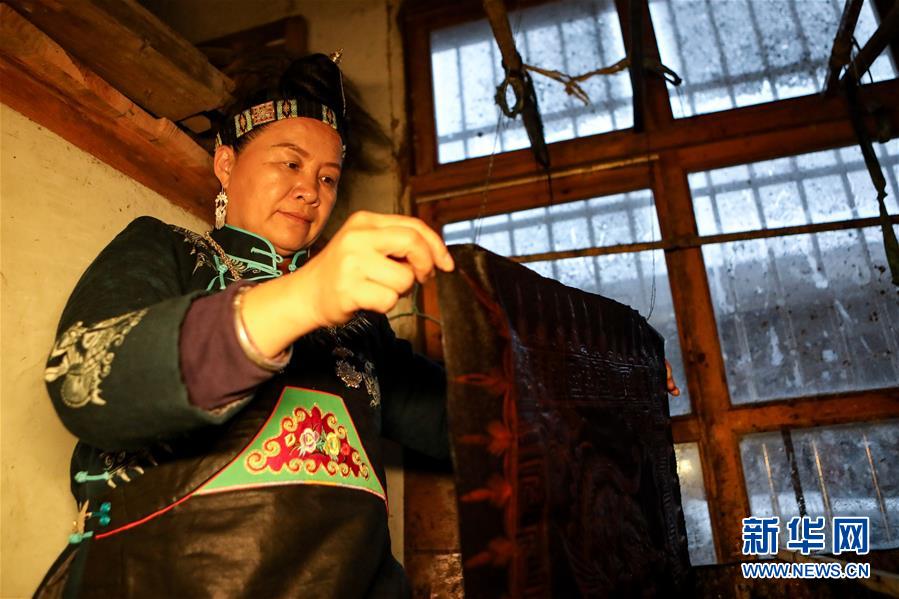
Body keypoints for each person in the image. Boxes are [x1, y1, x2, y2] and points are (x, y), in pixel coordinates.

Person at [36, 52, 454, 598]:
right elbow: (82, 378)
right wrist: (301, 298)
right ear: (226, 164)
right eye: (290, 163)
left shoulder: (359, 326)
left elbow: (463, 422)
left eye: (328, 177)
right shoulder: (168, 250)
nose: (311, 190)